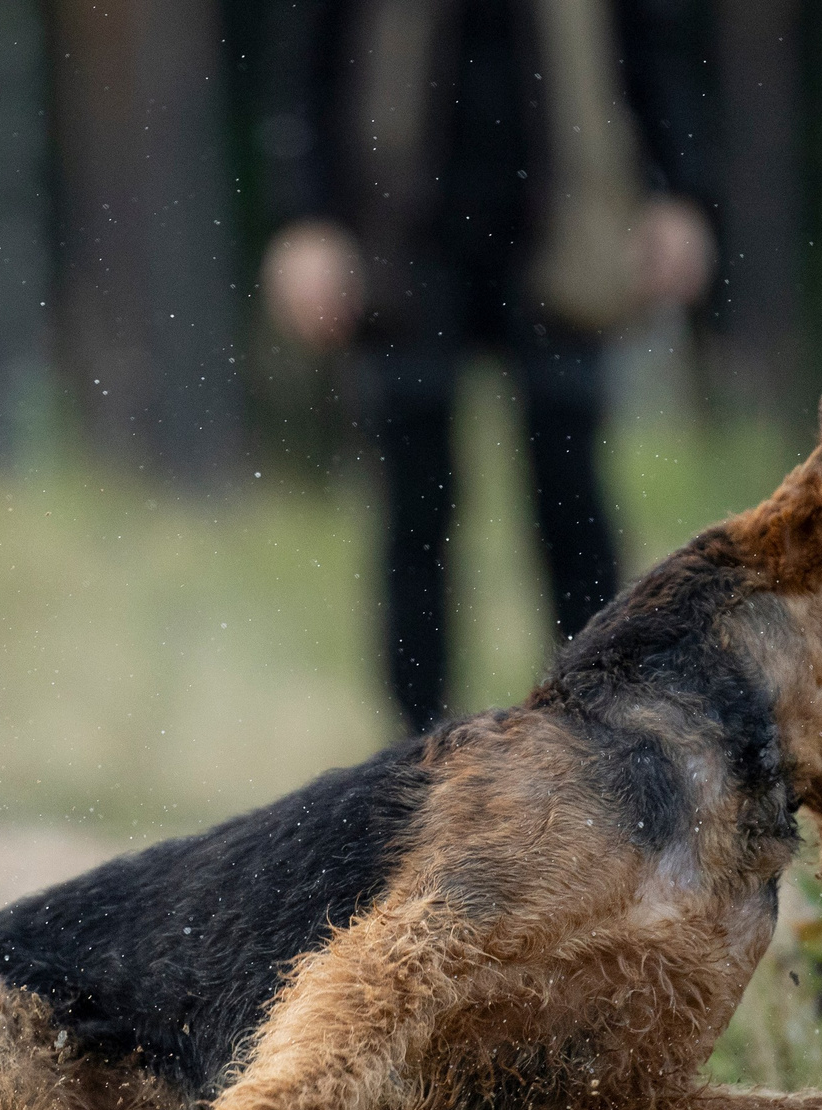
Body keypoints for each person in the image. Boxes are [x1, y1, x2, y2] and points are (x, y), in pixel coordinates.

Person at [260, 0, 718, 734]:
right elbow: (308, 59)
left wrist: (681, 192)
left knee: (571, 495)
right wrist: (303, 217)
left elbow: (652, 43)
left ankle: (600, 738)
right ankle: (414, 753)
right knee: (414, 503)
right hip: (402, 238)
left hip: (566, 233)